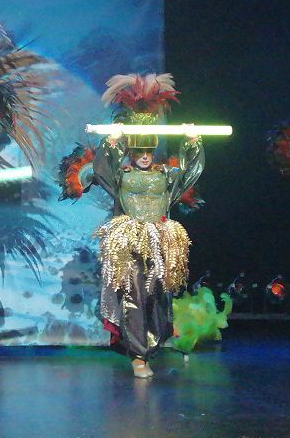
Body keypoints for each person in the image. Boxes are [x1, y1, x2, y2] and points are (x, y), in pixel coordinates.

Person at [64, 73, 202, 379]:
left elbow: (192, 173)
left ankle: (152, 345)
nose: (143, 157)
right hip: (130, 241)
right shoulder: (122, 176)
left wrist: (193, 144)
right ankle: (139, 355)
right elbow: (101, 170)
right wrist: (111, 144)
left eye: (148, 152)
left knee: (158, 297)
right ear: (131, 151)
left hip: (161, 240)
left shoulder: (166, 176)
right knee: (135, 298)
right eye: (138, 152)